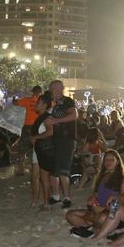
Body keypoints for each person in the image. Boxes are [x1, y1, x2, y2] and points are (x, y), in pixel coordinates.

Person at [43, 80, 78, 208]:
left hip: (66, 138)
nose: (56, 90)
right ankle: (56, 196)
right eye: (54, 88)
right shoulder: (48, 103)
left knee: (63, 170)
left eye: (59, 88)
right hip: (51, 139)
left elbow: (74, 115)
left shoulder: (68, 101)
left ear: (62, 88)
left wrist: (56, 120)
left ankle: (67, 198)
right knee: (53, 170)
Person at [29, 95, 55, 209]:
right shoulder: (40, 117)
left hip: (45, 150)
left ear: (44, 105)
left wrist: (37, 137)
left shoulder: (47, 118)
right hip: (38, 150)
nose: (36, 104)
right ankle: (35, 201)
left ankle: (46, 203)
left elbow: (51, 132)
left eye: (38, 102)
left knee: (44, 177)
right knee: (34, 176)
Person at [13, 85, 43, 176]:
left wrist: (14, 99)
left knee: (23, 147)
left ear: (32, 91)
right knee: (39, 147)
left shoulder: (26, 100)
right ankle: (39, 168)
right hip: (39, 126)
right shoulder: (43, 101)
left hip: (27, 126)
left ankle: (21, 169)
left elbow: (15, 103)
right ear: (40, 92)